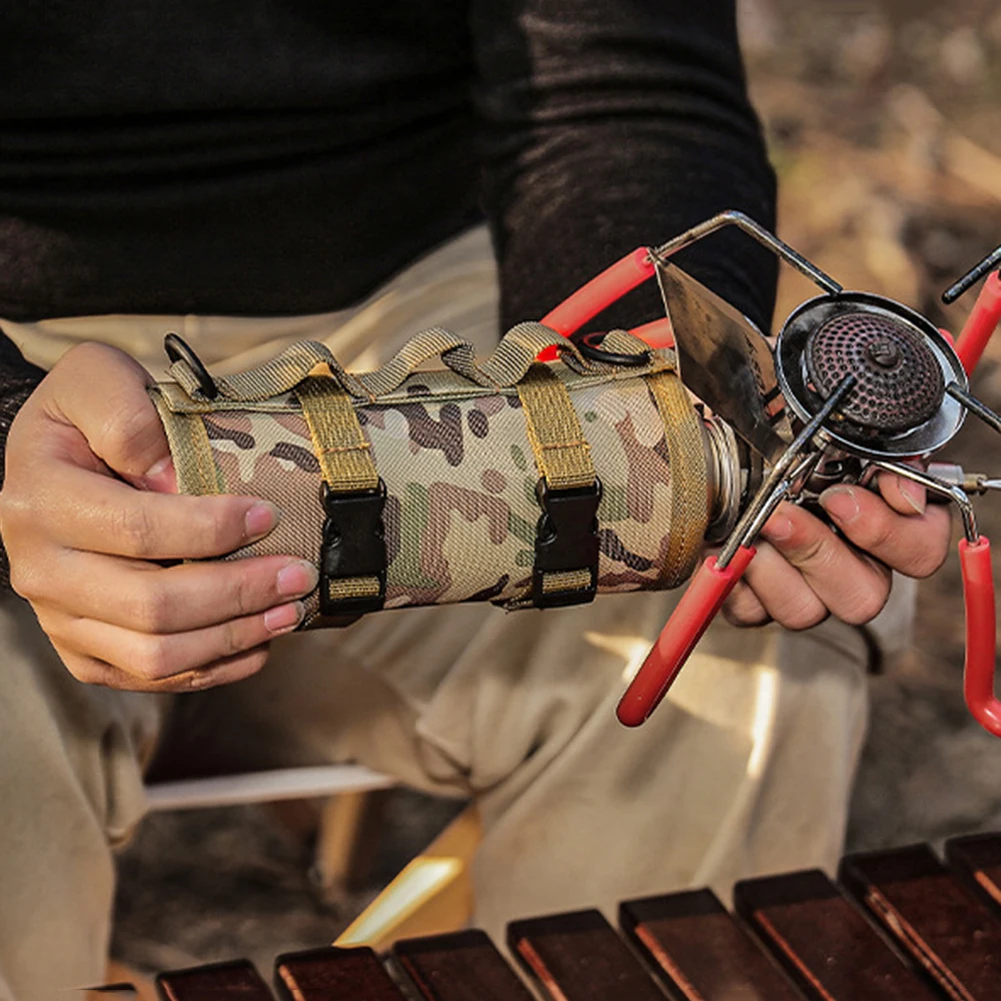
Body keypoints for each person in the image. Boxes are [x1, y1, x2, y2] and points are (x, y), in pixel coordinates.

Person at [0, 1, 949, 995]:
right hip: (23, 341)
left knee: (746, 624)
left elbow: (619, 75)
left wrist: (658, 406)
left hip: (421, 297)